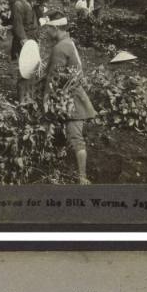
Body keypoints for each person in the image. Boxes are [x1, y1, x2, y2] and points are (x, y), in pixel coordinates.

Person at [42, 11, 97, 184]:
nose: (46, 32)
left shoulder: (60, 47)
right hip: (71, 93)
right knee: (59, 124)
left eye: (48, 28)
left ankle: (83, 177)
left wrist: (45, 98)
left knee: (75, 135)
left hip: (71, 98)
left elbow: (53, 77)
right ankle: (59, 153)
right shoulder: (68, 42)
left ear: (55, 28)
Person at [11, 0, 40, 103]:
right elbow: (17, 25)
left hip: (32, 39)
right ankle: (22, 99)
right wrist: (24, 41)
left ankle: (29, 96)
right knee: (24, 69)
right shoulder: (18, 5)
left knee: (33, 68)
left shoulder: (29, 4)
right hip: (24, 41)